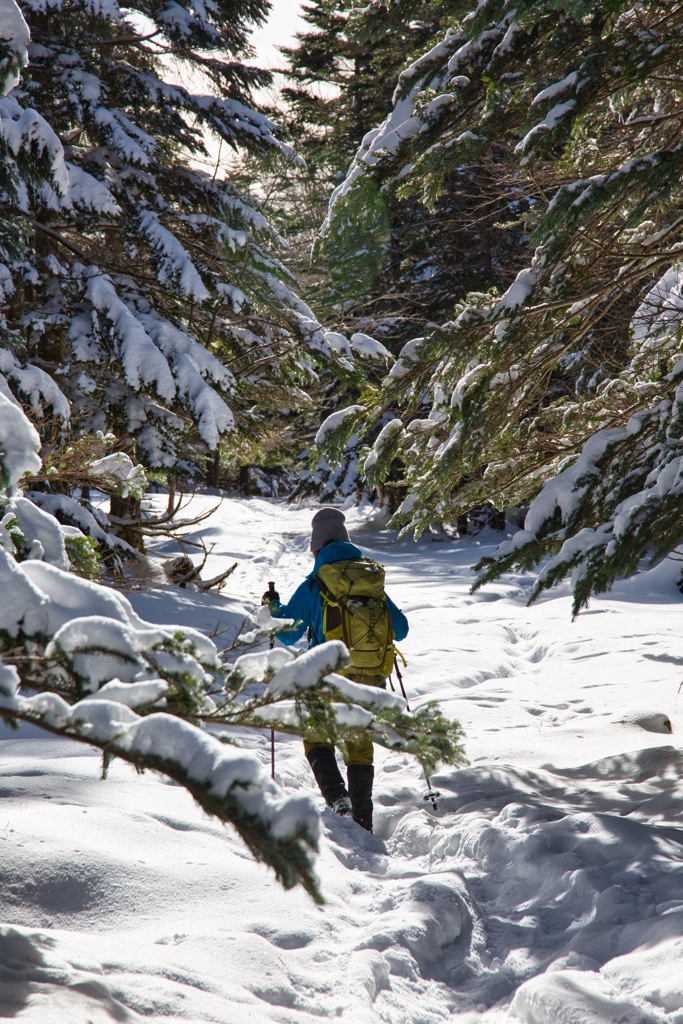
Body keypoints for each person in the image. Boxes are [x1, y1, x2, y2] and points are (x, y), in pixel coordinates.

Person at [267, 507, 408, 832]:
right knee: (358, 743)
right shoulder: (370, 581)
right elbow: (400, 630)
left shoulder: (316, 583)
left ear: (316, 547)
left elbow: (287, 631)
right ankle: (362, 819)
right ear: (346, 540)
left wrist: (272, 607)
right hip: (371, 676)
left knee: (316, 736)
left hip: (326, 674)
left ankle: (337, 798)